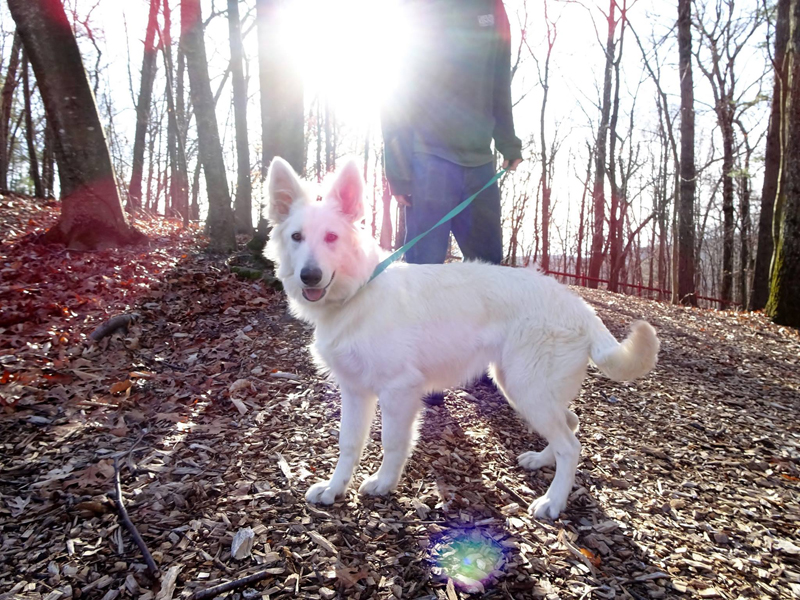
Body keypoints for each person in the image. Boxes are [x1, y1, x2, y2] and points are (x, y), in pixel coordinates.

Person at [382, 0, 524, 406]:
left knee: (487, 269)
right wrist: (399, 170)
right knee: (425, 269)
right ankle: (424, 373)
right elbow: (394, 90)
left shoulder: (492, 9)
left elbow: (500, 82)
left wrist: (508, 142)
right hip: (428, 159)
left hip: (479, 161)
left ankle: (479, 367)